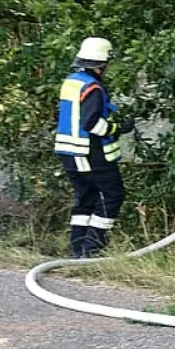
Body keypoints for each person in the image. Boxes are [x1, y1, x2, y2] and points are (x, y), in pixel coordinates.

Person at [54, 36, 124, 257]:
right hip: (88, 152)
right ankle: (92, 249)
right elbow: (91, 123)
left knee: (86, 197)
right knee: (113, 195)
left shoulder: (72, 81)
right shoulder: (93, 87)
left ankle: (77, 251)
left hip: (69, 153)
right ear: (102, 63)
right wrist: (117, 127)